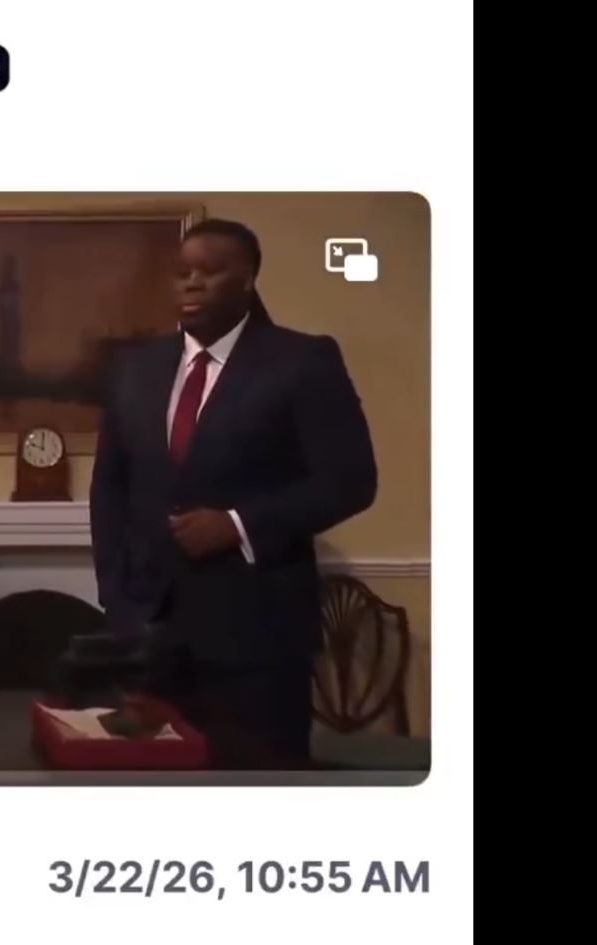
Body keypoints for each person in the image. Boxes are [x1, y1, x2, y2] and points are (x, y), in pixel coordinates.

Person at [89, 218, 377, 762]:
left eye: (211, 271)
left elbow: (351, 480)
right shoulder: (136, 368)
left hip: (258, 643)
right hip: (149, 642)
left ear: (247, 279)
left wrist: (239, 524)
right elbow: (110, 490)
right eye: (182, 272)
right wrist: (116, 599)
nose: (192, 283)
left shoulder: (302, 361)